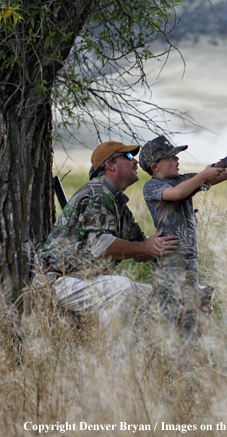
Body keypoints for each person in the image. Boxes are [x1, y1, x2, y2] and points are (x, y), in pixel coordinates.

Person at [139, 135, 227, 346]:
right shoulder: (152, 186)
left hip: (189, 264)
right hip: (170, 267)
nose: (177, 160)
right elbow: (177, 193)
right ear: (155, 167)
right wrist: (203, 175)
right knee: (171, 320)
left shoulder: (183, 180)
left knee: (190, 323)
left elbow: (220, 175)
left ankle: (189, 362)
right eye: (171, 157)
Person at [33, 140, 178, 328]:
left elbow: (145, 250)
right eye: (127, 157)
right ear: (109, 165)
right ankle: (112, 356)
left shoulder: (117, 203)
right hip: (58, 282)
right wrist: (146, 247)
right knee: (120, 289)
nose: (135, 161)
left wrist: (177, 224)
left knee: (167, 299)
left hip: (83, 282)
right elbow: (102, 246)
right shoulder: (99, 192)